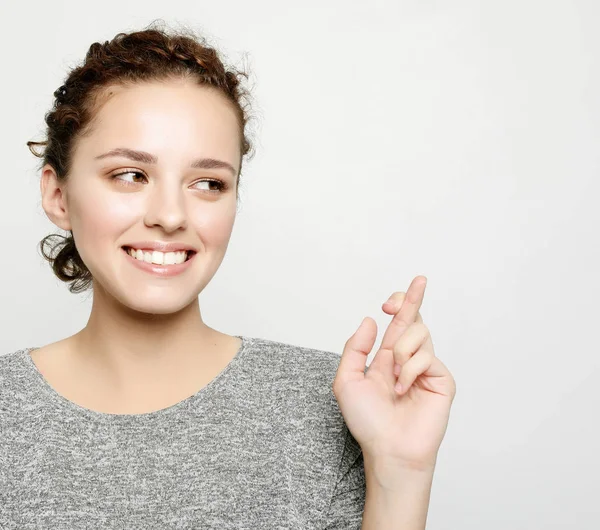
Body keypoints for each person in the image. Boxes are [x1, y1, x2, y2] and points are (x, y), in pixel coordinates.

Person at [0, 21, 456, 529]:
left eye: (208, 183)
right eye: (130, 175)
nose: (170, 216)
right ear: (57, 195)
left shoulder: (337, 403)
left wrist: (401, 471)